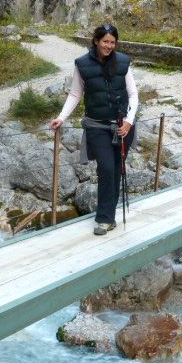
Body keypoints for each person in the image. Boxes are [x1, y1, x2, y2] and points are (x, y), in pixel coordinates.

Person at [50, 23, 138, 236]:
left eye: (113, 42)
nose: (109, 46)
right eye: (106, 41)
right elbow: (75, 94)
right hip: (96, 126)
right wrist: (61, 118)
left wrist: (128, 121)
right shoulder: (82, 64)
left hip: (121, 126)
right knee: (106, 168)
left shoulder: (124, 63)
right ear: (96, 41)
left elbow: (133, 94)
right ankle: (104, 219)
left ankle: (109, 216)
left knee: (117, 169)